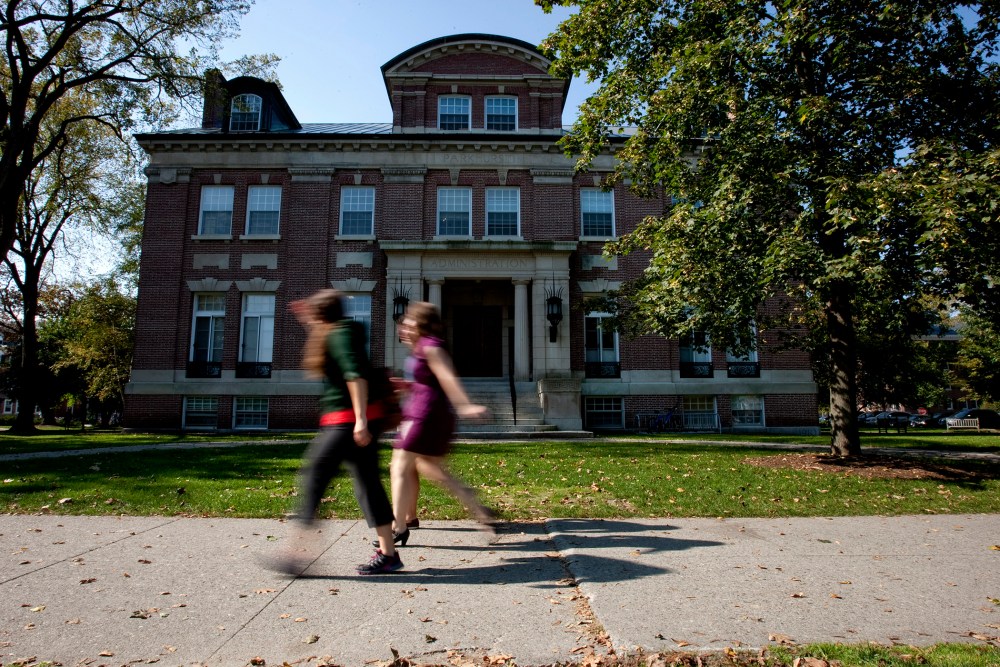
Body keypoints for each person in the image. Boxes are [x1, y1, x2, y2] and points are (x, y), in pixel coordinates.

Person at [274, 289, 402, 576]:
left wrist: (360, 421)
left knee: (315, 479)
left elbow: (354, 374)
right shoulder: (337, 331)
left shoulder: (339, 334)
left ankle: (297, 553)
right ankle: (388, 555)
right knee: (368, 485)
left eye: (311, 315)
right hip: (351, 421)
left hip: (346, 423)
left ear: (321, 315)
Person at [379, 301, 496, 547]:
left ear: (422, 323)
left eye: (411, 321)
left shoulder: (431, 346)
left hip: (425, 413)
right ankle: (474, 505)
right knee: (427, 466)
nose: (406, 325)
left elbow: (446, 377)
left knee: (399, 465)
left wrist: (465, 405)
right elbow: (429, 380)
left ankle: (398, 526)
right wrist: (407, 386)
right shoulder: (421, 347)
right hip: (422, 410)